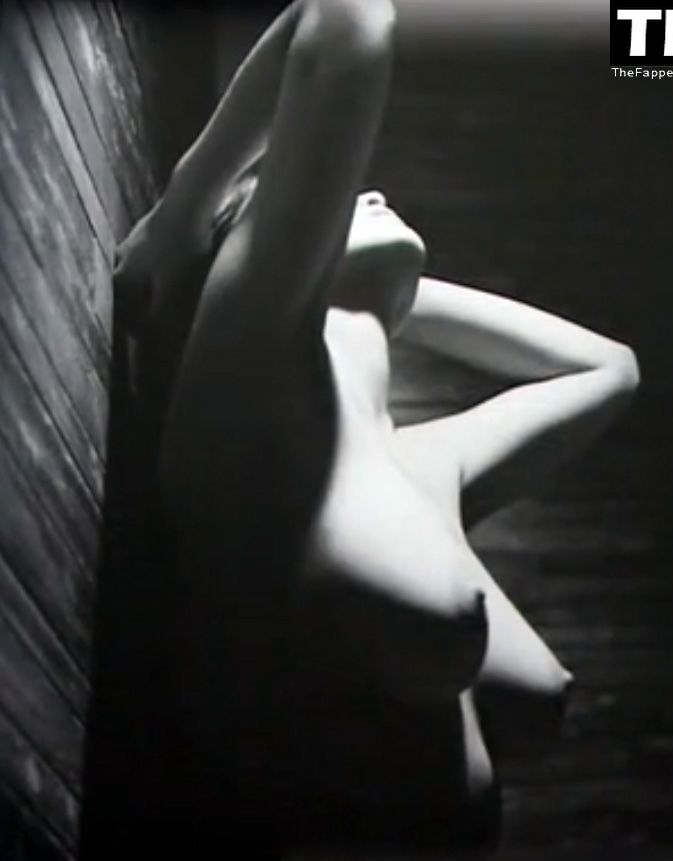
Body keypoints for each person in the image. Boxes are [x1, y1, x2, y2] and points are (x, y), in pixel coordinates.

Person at [111, 0, 640, 855]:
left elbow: (609, 369)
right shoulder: (251, 394)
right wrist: (180, 214)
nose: (370, 190)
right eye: (329, 215)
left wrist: (386, 295)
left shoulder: (417, 464)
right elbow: (349, 18)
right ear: (242, 263)